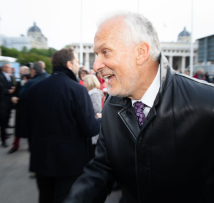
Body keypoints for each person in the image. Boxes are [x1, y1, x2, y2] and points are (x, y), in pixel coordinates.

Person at [64, 11, 214, 203]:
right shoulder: (112, 106)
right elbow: (101, 169)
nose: (96, 65)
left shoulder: (208, 103)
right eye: (96, 54)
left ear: (141, 52)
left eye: (105, 52)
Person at [26, 48, 101, 203]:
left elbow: (28, 125)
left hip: (41, 159)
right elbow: (90, 128)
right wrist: (103, 119)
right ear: (69, 64)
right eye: (77, 62)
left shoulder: (35, 88)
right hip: (69, 163)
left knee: (45, 198)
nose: (78, 66)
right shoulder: (78, 90)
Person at [8, 66, 30, 154]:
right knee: (18, 127)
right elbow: (14, 93)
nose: (20, 74)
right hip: (19, 108)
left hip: (28, 108)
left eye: (21, 72)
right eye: (20, 73)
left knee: (29, 127)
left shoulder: (31, 82)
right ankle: (15, 145)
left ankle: (30, 145)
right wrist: (13, 98)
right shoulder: (18, 83)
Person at [83, 74, 103, 156]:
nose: (83, 82)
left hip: (94, 120)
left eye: (85, 81)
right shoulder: (91, 92)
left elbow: (97, 108)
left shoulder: (94, 93)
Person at [0, 63, 16, 133]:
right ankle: (4, 132)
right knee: (3, 117)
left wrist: (13, 88)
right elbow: (0, 88)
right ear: (3, 68)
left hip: (9, 99)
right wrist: (8, 91)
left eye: (9, 68)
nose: (8, 69)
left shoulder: (10, 76)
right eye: (7, 67)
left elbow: (11, 84)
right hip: (3, 100)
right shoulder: (0, 76)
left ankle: (6, 126)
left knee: (8, 114)